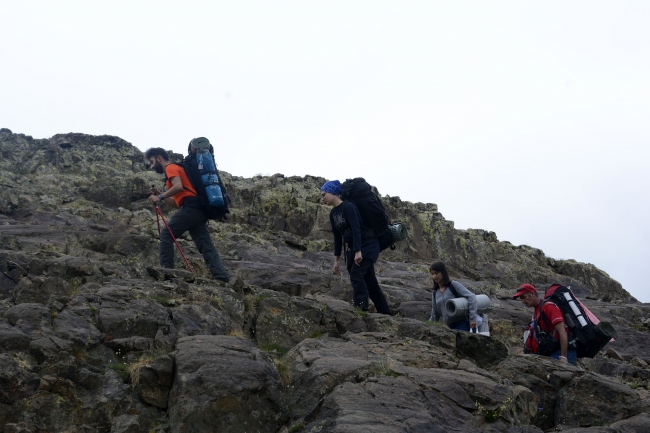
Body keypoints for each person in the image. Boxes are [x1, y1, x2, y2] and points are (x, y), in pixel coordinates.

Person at [145, 147, 230, 283]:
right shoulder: (175, 170)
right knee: (206, 245)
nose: (152, 166)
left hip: (191, 208)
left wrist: (160, 197)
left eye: (152, 161)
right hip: (198, 210)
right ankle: (222, 276)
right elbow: (177, 203)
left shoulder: (170, 168)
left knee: (167, 234)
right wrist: (161, 194)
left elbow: (178, 187)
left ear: (159, 158)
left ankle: (167, 271)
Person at [321, 180, 392, 315]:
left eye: (324, 194)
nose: (322, 198)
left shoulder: (349, 206)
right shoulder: (333, 214)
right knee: (370, 282)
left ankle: (361, 309)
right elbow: (337, 237)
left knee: (356, 275)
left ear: (333, 192)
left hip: (368, 245)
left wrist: (358, 252)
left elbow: (356, 228)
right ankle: (385, 313)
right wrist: (336, 261)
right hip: (354, 248)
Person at [513, 283, 576, 364]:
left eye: (523, 297)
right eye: (520, 299)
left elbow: (562, 331)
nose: (522, 301)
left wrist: (563, 357)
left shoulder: (548, 307)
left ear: (532, 294)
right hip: (551, 352)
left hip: (561, 352)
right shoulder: (537, 310)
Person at [428, 262, 477, 332]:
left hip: (462, 324)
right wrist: (428, 326)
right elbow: (435, 314)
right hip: (448, 327)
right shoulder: (435, 292)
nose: (434, 276)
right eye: (432, 274)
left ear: (443, 272)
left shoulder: (453, 285)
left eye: (436, 273)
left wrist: (472, 319)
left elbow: (472, 297)